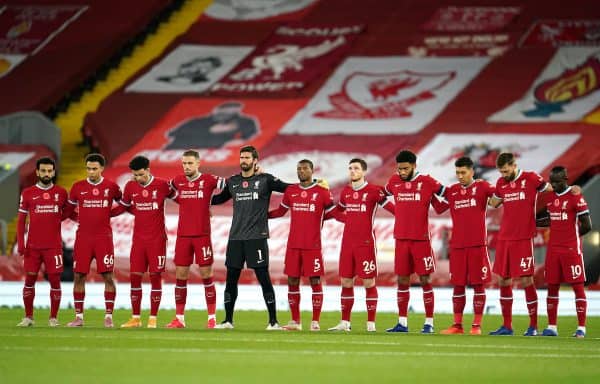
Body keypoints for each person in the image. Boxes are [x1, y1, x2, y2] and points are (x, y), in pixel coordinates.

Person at [487, 152, 572, 336]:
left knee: (526, 280)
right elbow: (494, 202)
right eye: (500, 172)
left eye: (506, 170)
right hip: (504, 237)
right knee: (503, 279)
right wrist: (490, 197)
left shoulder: (531, 178)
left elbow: (552, 189)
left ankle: (533, 326)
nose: (503, 175)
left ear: (514, 165)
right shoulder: (502, 183)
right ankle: (507, 326)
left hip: (523, 237)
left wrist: (571, 191)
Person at [211, 145, 290, 330]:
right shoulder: (233, 182)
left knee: (264, 278)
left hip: (257, 237)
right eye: (242, 157)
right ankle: (228, 321)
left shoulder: (266, 180)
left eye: (247, 158)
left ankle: (273, 322)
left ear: (255, 161)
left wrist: (313, 184)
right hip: (236, 238)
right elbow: (217, 199)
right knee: (231, 280)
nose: (243, 161)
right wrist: (197, 198)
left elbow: (288, 188)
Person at [328, 158, 395, 332]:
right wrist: (327, 208)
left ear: (364, 172)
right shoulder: (346, 192)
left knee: (368, 282)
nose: (352, 171)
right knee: (346, 281)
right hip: (347, 242)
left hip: (365, 242)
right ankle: (345, 322)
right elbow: (337, 212)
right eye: (350, 168)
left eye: (356, 168)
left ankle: (371, 324)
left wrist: (408, 214)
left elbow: (393, 208)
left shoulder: (373, 191)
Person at [268, 159, 335, 331]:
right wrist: (262, 215)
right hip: (293, 245)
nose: (301, 171)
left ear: (312, 171)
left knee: (315, 280)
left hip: (312, 245)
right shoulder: (291, 191)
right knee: (292, 280)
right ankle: (295, 321)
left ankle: (315, 322)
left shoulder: (323, 192)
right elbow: (280, 211)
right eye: (299, 169)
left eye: (305, 168)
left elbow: (333, 212)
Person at [385, 150, 445, 334]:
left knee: (425, 279)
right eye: (399, 168)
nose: (402, 172)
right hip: (401, 239)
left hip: (421, 240)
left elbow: (446, 200)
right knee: (402, 280)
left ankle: (429, 323)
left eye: (405, 168)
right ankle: (402, 323)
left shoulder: (427, 182)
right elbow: (380, 195)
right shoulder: (394, 182)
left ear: (414, 166)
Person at [165, 150, 226, 329]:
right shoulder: (178, 181)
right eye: (184, 163)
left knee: (207, 275)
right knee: (180, 276)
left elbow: (232, 185)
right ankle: (179, 318)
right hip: (183, 236)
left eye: (190, 163)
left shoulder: (209, 180)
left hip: (202, 236)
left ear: (198, 163)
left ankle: (212, 318)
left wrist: (212, 203)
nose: (186, 167)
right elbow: (163, 189)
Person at [434, 157, 495, 335]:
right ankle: (457, 325)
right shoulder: (452, 191)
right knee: (458, 286)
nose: (460, 176)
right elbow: (438, 208)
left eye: (463, 172)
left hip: (477, 245)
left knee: (478, 285)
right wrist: (427, 194)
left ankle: (476, 326)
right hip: (458, 246)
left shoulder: (483, 187)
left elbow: (498, 197)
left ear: (472, 171)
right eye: (458, 173)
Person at [16, 157, 74, 327]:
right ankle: (28, 317)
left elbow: (68, 213)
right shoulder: (27, 193)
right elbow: (20, 220)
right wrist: (21, 243)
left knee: (55, 281)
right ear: (37, 172)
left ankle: (53, 318)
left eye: (49, 171)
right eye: (43, 171)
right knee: (30, 280)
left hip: (54, 246)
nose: (47, 174)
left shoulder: (61, 193)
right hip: (33, 247)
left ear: (53, 172)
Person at [66, 153, 122, 327]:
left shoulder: (111, 187)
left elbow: (124, 204)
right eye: (88, 168)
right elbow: (68, 210)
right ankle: (79, 318)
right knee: (79, 275)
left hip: (103, 238)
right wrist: (79, 219)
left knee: (108, 276)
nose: (91, 172)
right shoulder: (77, 187)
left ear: (102, 168)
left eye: (94, 169)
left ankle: (108, 317)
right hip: (83, 238)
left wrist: (109, 214)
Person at [119, 156, 175, 329]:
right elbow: (124, 206)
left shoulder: (162, 185)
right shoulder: (130, 186)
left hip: (157, 240)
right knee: (135, 277)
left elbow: (181, 198)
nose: (138, 178)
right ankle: (135, 318)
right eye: (135, 175)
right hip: (138, 240)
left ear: (148, 170)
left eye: (141, 174)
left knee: (155, 277)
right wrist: (104, 213)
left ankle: (153, 318)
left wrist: (204, 207)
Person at [536, 166, 592, 338]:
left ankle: (581, 328)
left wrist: (572, 237)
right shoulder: (551, 197)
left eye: (557, 182)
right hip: (553, 250)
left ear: (566, 179)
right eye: (552, 181)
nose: (554, 184)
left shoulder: (576, 197)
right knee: (552, 287)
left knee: (577, 287)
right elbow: (551, 220)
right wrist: (533, 222)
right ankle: (552, 327)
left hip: (570, 250)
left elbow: (587, 225)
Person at [165, 102, 259, 150]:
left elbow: (251, 132)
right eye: (223, 111)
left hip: (215, 152)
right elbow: (172, 134)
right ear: (216, 110)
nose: (225, 115)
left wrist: (242, 140)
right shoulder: (197, 121)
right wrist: (209, 131)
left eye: (231, 112)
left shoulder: (244, 121)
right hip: (180, 149)